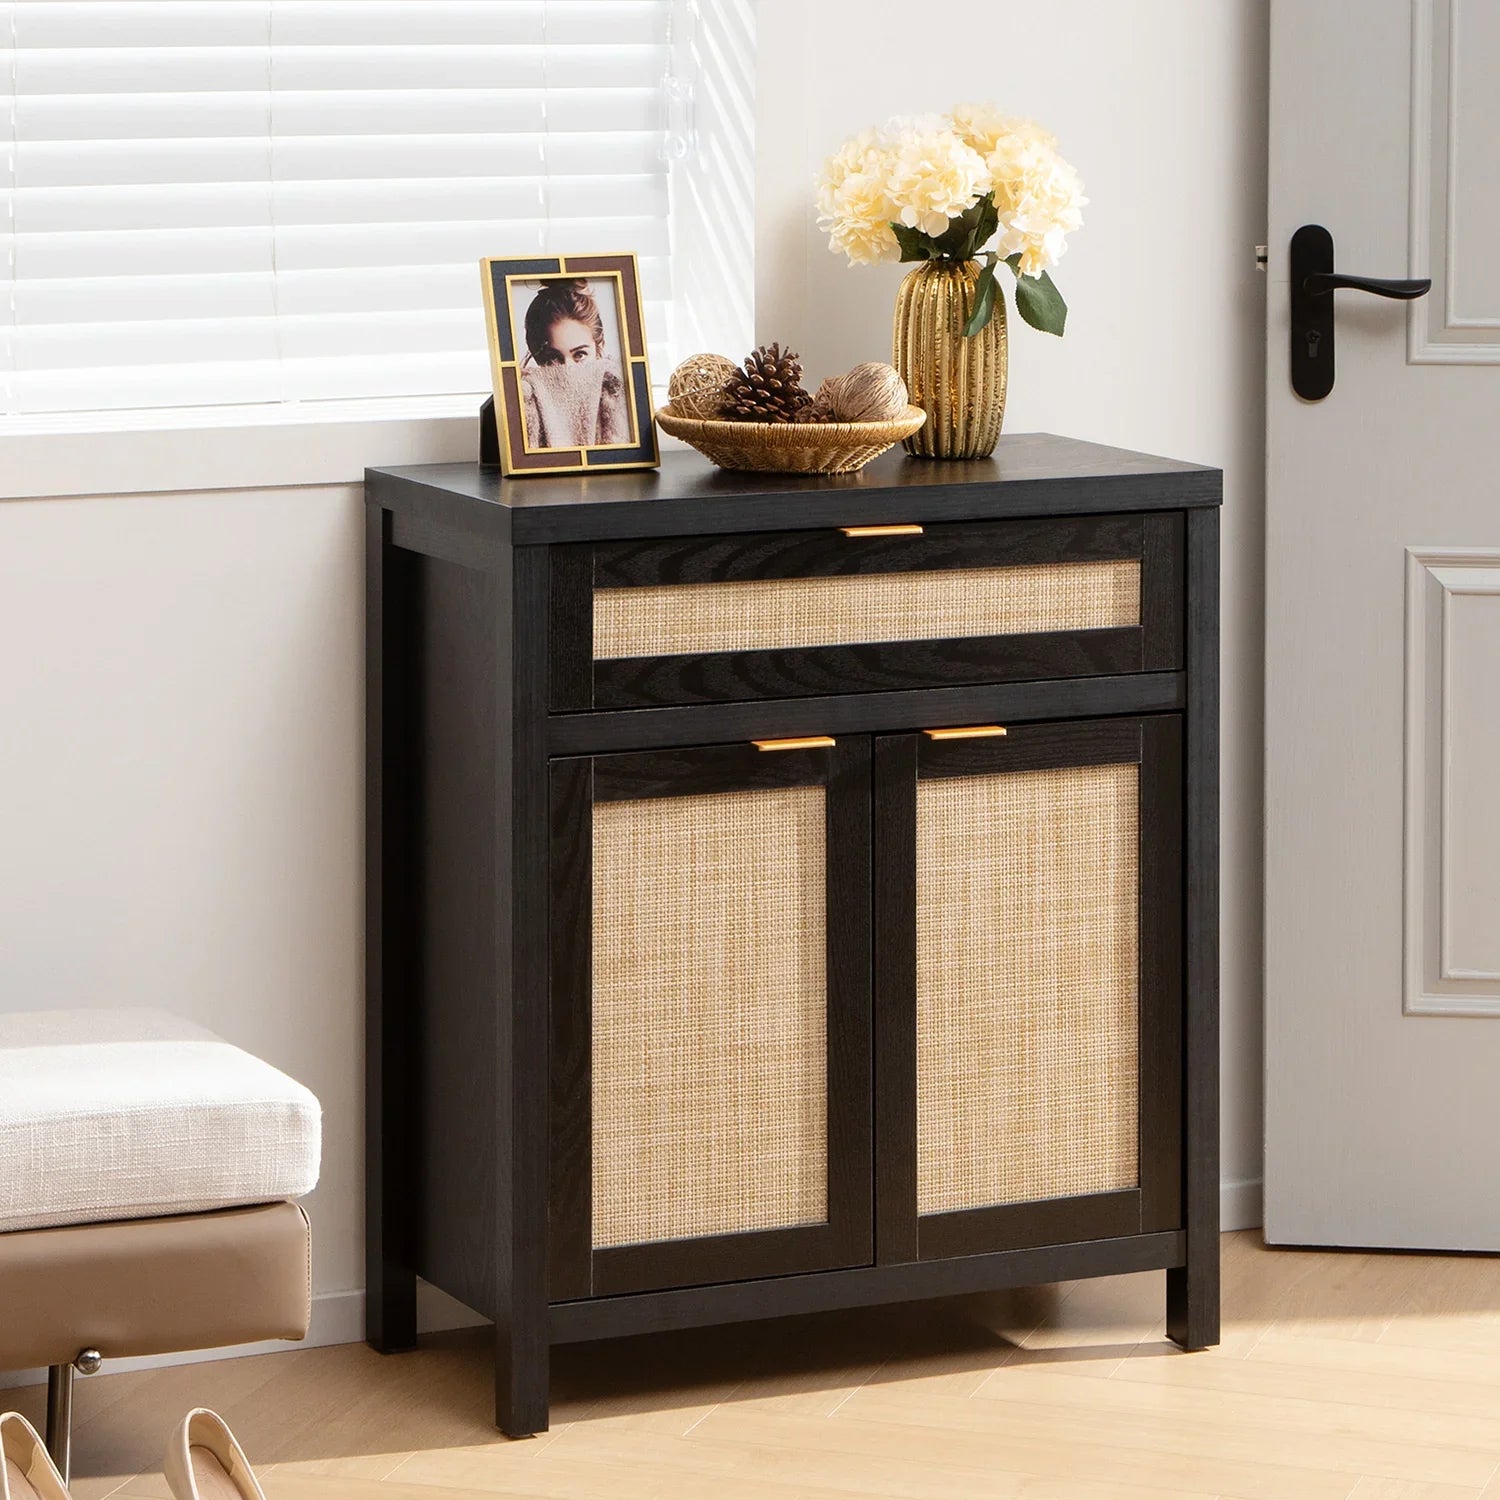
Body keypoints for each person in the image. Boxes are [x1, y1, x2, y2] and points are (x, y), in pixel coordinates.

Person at [519, 279, 631, 449]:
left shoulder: (623, 397)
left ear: (598, 345)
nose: (568, 369)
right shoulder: (524, 404)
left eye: (580, 354)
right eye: (552, 358)